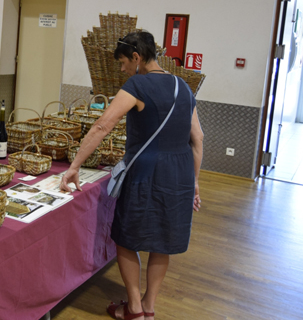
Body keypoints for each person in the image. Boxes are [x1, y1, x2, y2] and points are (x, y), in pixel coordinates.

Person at [60, 31, 204, 320]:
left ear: (137, 57)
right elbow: (198, 138)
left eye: (124, 62)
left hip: (147, 172)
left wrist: (74, 166)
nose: (123, 69)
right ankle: (149, 306)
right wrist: (195, 182)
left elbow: (103, 125)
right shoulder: (183, 87)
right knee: (163, 240)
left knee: (126, 237)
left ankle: (134, 308)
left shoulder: (137, 84)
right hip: (180, 173)